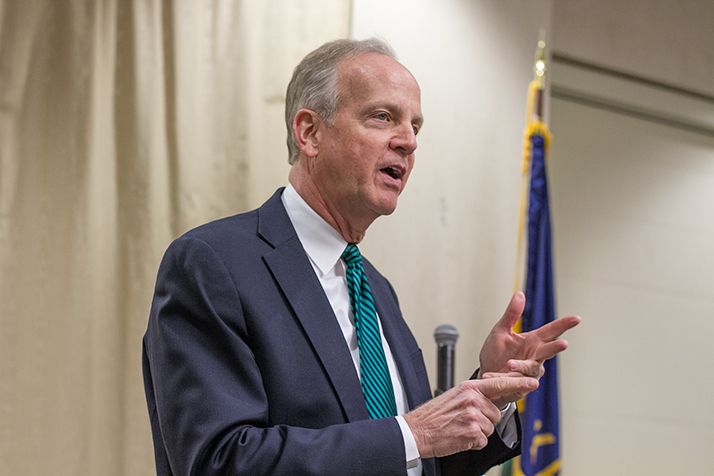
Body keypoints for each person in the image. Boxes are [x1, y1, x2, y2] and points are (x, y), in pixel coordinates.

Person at [142, 38, 580, 476]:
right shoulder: (212, 265)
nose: (408, 142)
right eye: (383, 117)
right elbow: (219, 461)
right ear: (309, 133)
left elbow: (418, 464)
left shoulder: (376, 289)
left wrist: (486, 397)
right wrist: (413, 433)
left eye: (415, 126)